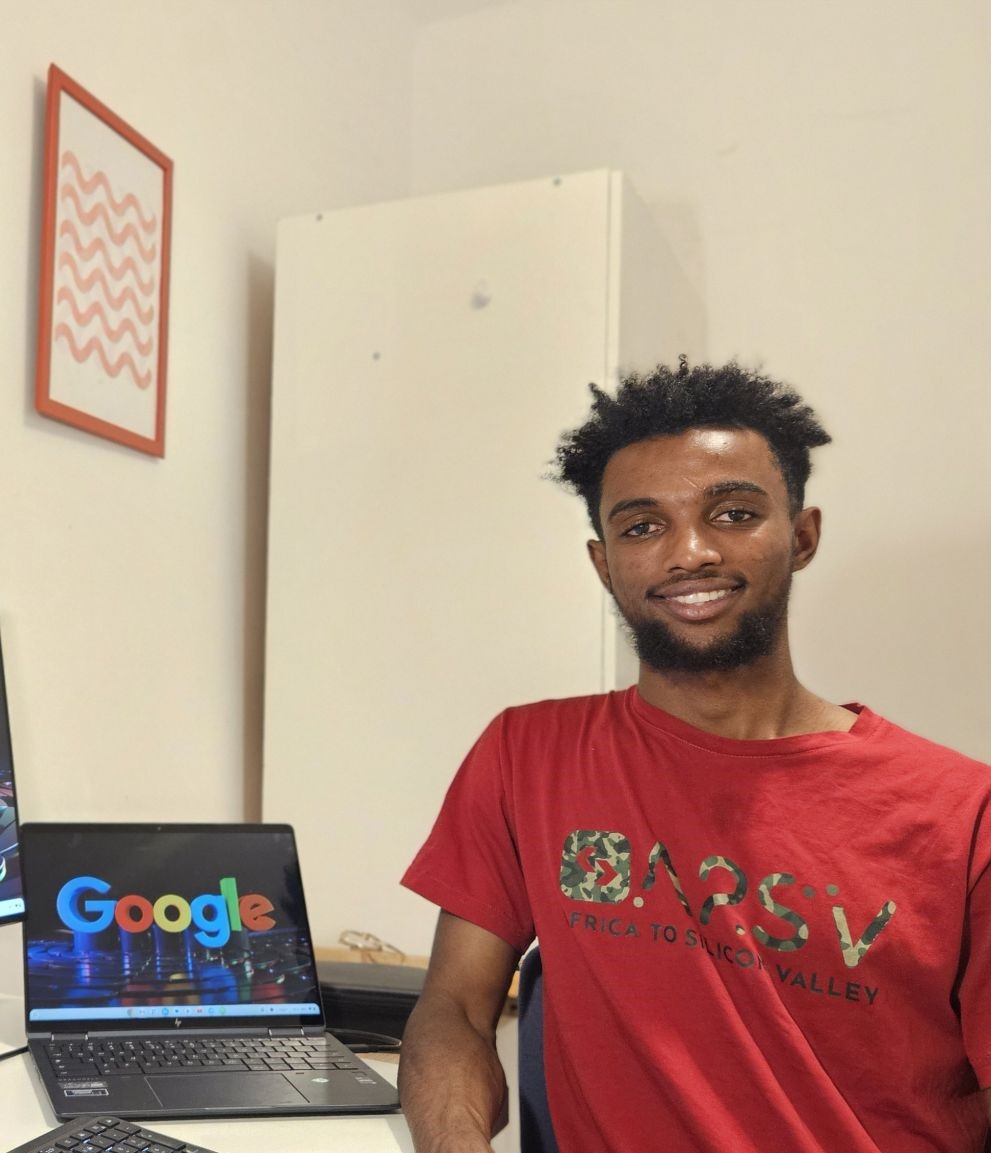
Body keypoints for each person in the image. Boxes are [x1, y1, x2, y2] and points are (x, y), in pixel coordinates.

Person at [398, 360, 991, 1153]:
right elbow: (454, 1011)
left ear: (802, 535)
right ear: (604, 563)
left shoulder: (964, 813)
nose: (690, 552)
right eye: (642, 527)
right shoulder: (527, 758)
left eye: (733, 513)